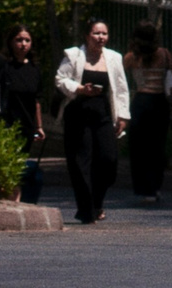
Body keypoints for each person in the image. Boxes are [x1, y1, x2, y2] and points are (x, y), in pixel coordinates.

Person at [52, 17, 127, 224]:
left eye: (104, 33)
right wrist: (79, 89)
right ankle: (86, 209)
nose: (100, 37)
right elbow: (60, 79)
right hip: (78, 112)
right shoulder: (73, 55)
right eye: (96, 33)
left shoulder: (114, 58)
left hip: (103, 114)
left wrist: (123, 116)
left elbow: (121, 88)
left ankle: (97, 202)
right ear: (87, 36)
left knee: (108, 160)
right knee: (81, 161)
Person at [0, 25, 47, 204]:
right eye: (19, 40)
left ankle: (14, 202)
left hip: (24, 126)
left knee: (17, 166)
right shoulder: (0, 63)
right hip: (1, 123)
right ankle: (6, 201)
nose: (23, 44)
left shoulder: (34, 68)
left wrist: (39, 126)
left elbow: (36, 100)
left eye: (27, 40)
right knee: (1, 164)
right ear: (11, 42)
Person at [123, 21, 172, 205]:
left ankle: (142, 188)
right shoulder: (164, 54)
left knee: (138, 147)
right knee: (157, 146)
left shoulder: (131, 57)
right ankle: (155, 187)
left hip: (140, 102)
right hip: (159, 102)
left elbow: (121, 79)